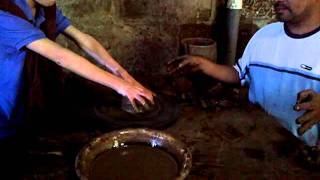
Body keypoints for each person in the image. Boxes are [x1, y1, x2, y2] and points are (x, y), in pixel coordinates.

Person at [169, 0, 320, 147]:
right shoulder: (265, 35)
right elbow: (239, 74)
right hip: (254, 145)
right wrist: (202, 64)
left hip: (301, 158)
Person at [0, 0, 155, 139]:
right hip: (7, 111)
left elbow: (84, 39)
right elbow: (60, 56)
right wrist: (122, 86)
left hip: (33, 103)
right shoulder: (4, 14)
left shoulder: (44, 8)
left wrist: (124, 75)